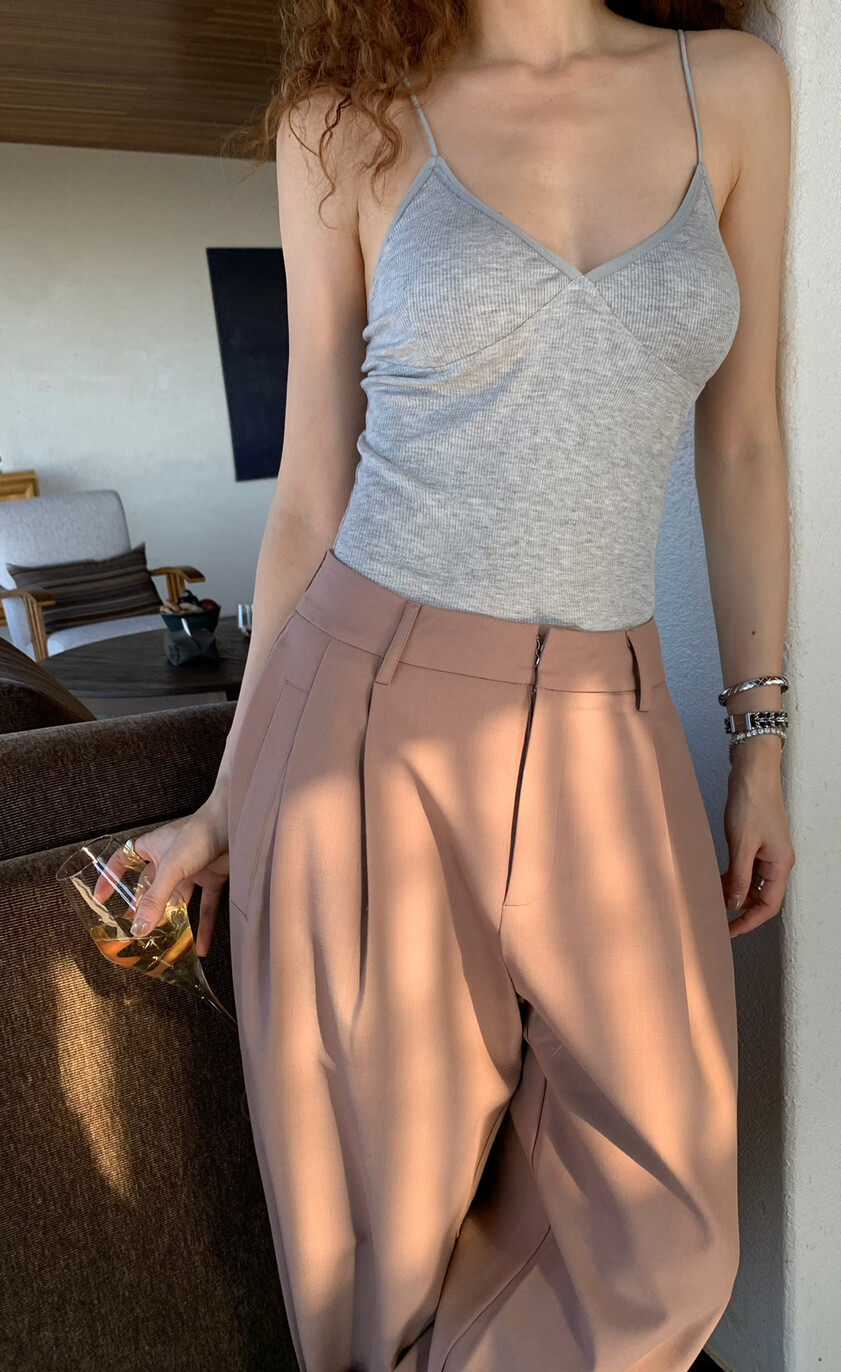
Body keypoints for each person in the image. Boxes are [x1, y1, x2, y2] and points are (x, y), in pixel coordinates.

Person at [129, 2, 793, 1367]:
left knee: (673, 1236)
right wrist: (227, 800)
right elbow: (310, 492)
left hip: (613, 717)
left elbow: (742, 443)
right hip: (369, 712)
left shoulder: (732, 88)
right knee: (379, 1250)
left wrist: (761, 741)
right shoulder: (343, 119)